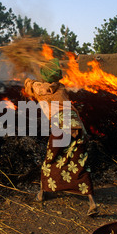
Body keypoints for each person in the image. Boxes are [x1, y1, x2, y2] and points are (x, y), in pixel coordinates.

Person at [24, 57, 99, 216]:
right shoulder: (61, 88)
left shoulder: (40, 88)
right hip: (76, 125)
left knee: (50, 158)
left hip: (61, 126)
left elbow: (31, 85)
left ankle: (42, 193)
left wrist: (29, 82)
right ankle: (92, 203)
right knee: (79, 161)